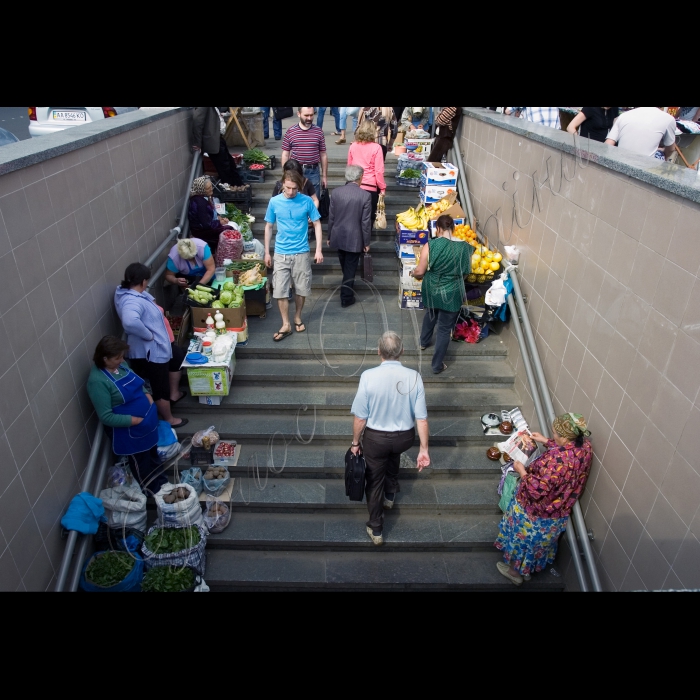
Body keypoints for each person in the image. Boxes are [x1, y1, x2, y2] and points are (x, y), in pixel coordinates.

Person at [350, 331, 431, 545]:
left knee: (373, 480)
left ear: (379, 352)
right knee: (394, 455)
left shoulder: (368, 376)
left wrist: (355, 443)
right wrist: (423, 449)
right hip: (404, 437)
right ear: (402, 351)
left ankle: (376, 528)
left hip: (375, 439)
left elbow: (360, 417)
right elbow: (421, 419)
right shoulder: (414, 376)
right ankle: (390, 495)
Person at [495, 413, 594, 586]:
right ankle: (526, 571)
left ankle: (514, 573)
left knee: (522, 542)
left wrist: (521, 471)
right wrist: (547, 441)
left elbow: (536, 490)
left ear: (565, 436)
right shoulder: (584, 448)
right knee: (535, 546)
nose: (553, 434)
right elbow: (566, 452)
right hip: (556, 514)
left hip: (533, 512)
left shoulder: (557, 462)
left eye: (555, 433)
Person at [87, 336, 169, 496]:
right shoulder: (97, 382)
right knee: (141, 463)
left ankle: (162, 482)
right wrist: (135, 420)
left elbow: (137, 383)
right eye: (117, 357)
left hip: (147, 423)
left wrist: (147, 396)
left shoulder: (122, 366)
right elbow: (106, 417)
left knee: (153, 455)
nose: (121, 360)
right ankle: (152, 491)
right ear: (105, 358)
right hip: (131, 431)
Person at [114, 263, 188, 428]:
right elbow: (130, 321)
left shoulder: (132, 293)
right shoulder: (131, 301)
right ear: (143, 281)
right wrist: (148, 335)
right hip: (151, 352)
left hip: (160, 346)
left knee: (177, 356)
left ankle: (174, 394)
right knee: (160, 386)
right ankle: (169, 419)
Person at [264, 170, 323, 342]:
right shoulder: (274, 202)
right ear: (282, 183)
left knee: (301, 288)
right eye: (288, 188)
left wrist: (318, 249)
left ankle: (297, 316)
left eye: (295, 189)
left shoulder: (306, 201)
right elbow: (268, 226)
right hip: (281, 252)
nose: (291, 192)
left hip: (301, 252)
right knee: (280, 289)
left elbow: (317, 224)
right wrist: (267, 252)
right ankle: (285, 323)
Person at [411, 215, 474, 374]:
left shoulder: (431, 245)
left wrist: (413, 273)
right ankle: (437, 365)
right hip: (453, 291)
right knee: (444, 329)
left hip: (432, 288)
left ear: (438, 228)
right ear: (453, 228)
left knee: (430, 313)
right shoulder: (466, 247)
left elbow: (420, 271)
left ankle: (423, 342)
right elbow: (466, 272)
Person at [328, 165, 372, 308]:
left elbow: (331, 217)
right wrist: (366, 242)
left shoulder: (335, 193)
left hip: (338, 235)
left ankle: (347, 287)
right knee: (350, 267)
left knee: (346, 266)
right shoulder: (365, 195)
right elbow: (365, 222)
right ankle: (346, 297)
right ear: (360, 178)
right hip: (355, 237)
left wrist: (329, 235)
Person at [191, 107, 244, 187]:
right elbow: (197, 121)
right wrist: (198, 143)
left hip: (218, 138)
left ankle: (238, 186)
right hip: (213, 140)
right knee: (225, 167)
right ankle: (231, 189)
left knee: (230, 164)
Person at [281, 107, 328, 195]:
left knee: (314, 200)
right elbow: (285, 154)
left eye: (311, 115)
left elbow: (323, 154)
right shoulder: (290, 131)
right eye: (306, 115)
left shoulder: (318, 132)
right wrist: (285, 175)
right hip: (295, 171)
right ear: (298, 114)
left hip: (313, 171)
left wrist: (324, 176)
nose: (309, 118)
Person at [348, 120, 387, 225]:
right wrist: (382, 188)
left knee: (353, 218)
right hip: (370, 187)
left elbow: (349, 166)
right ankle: (365, 241)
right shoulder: (376, 148)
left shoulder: (353, 146)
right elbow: (379, 171)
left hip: (354, 185)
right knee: (368, 219)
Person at [605, 107, 677, 159]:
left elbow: (608, 144)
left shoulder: (624, 115)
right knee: (660, 154)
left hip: (620, 163)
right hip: (646, 167)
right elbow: (671, 149)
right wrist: (665, 156)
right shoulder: (668, 119)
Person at [188, 176, 235, 252]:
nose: (211, 189)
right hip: (201, 231)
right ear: (202, 190)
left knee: (231, 225)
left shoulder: (205, 197)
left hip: (208, 226)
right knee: (229, 230)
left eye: (211, 186)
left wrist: (219, 217)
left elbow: (211, 213)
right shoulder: (200, 203)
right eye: (208, 188)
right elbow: (206, 224)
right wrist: (219, 223)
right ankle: (223, 254)